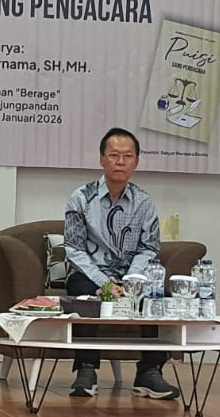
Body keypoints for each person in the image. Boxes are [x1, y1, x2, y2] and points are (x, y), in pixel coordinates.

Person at [63, 127, 180, 400]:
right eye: (114, 155)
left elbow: (149, 247)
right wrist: (106, 284)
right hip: (91, 274)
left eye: (127, 156)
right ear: (102, 159)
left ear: (136, 162)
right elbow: (74, 249)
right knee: (82, 292)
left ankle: (149, 372)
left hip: (132, 276)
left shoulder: (144, 202)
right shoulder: (81, 198)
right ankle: (87, 369)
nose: (120, 162)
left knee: (155, 294)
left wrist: (131, 281)